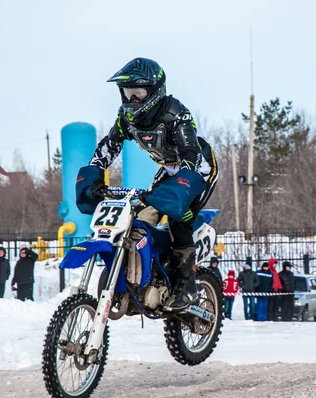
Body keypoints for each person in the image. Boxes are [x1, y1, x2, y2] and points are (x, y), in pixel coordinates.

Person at [75, 58, 219, 312]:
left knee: (179, 219)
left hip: (198, 169)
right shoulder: (126, 118)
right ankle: (148, 275)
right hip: (168, 168)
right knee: (138, 217)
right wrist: (95, 173)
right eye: (128, 93)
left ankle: (188, 286)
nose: (132, 100)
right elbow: (109, 146)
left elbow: (191, 154)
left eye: (138, 93)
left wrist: (180, 192)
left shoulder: (176, 114)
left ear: (155, 91)